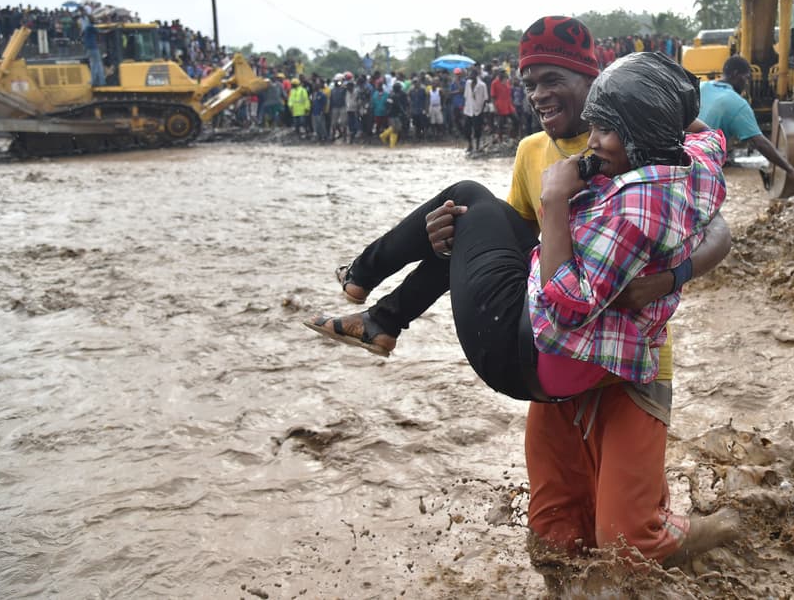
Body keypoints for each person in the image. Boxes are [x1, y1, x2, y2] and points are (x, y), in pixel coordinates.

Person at [315, 28, 737, 572]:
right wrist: (450, 238)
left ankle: (725, 527)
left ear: (596, 80)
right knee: (555, 539)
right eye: (530, 83)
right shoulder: (532, 153)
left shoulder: (649, 176)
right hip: (560, 352)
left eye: (553, 80)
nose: (537, 95)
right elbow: (515, 252)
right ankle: (382, 317)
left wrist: (672, 274)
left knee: (629, 542)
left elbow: (715, 225)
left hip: (631, 362)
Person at [697, 56, 794, 188]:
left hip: (678, 164)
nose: (747, 83)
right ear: (736, 74)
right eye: (746, 77)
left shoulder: (700, 87)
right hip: (703, 171)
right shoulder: (737, 103)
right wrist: (790, 170)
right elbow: (760, 143)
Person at [461, 66, 488, 152]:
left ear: (475, 75)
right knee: (466, 129)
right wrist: (464, 108)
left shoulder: (482, 85)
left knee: (477, 129)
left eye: (471, 74)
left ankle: (477, 146)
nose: (470, 76)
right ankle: (470, 145)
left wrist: (482, 111)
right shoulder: (468, 83)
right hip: (468, 110)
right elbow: (466, 96)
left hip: (478, 110)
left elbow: (485, 99)